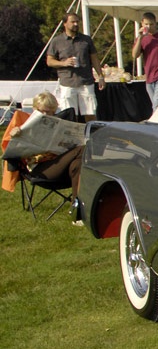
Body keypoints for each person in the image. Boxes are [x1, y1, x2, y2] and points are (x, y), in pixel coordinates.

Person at [1, 91, 86, 223]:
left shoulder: (59, 124)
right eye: (42, 111)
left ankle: (76, 212)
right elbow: (9, 150)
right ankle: (78, 211)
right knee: (82, 150)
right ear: (34, 109)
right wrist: (14, 134)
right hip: (39, 170)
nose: (46, 115)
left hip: (60, 166)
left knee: (78, 164)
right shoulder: (24, 123)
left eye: (50, 112)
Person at [45, 12, 106, 122]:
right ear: (64, 24)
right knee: (69, 115)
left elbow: (94, 59)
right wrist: (64, 63)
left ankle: (91, 135)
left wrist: (100, 76)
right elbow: (49, 61)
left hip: (86, 82)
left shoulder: (86, 40)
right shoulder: (57, 41)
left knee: (90, 113)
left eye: (77, 21)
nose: (76, 24)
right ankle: (71, 137)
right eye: (72, 22)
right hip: (67, 82)